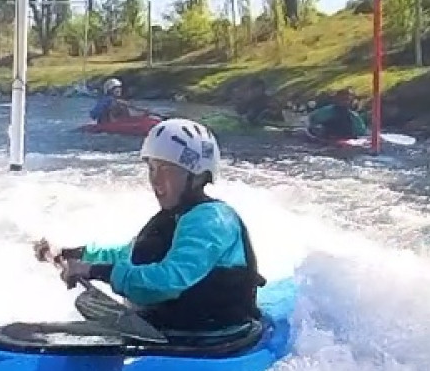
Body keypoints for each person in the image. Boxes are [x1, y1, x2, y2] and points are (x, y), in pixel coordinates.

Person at [33, 117, 264, 335]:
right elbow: (128, 255)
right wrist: (74, 254)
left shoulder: (212, 220)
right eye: (152, 168)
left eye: (167, 169)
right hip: (175, 330)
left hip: (217, 337)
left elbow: (168, 282)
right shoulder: (173, 218)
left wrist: (94, 271)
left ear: (197, 176)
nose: (155, 179)